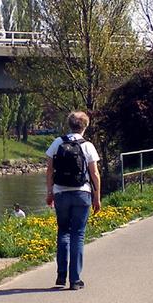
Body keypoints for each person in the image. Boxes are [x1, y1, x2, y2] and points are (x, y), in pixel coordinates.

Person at [45, 111, 101, 290]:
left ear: (69, 124)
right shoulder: (87, 146)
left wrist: (49, 192)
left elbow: (49, 171)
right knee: (78, 234)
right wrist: (96, 197)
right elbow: (95, 174)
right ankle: (75, 280)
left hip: (61, 193)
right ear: (85, 126)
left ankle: (61, 276)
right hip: (81, 194)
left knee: (63, 232)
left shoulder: (57, 142)